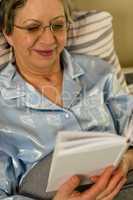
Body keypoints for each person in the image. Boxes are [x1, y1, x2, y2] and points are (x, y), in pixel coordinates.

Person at [0, 0, 133, 199]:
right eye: (33, 27)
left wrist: (126, 160)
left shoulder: (100, 73)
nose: (48, 39)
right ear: (7, 33)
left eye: (58, 25)